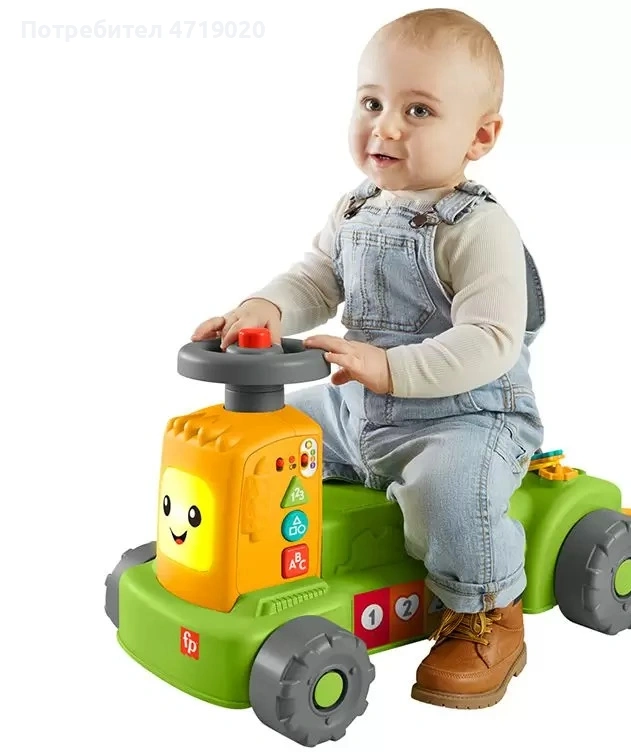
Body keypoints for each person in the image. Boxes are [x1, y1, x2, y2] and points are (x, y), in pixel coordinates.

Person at [192, 8, 546, 710]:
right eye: (372, 102)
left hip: (464, 417)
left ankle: (486, 610)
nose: (385, 127)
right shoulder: (356, 206)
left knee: (449, 492)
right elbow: (315, 279)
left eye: (418, 110)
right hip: (358, 407)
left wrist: (391, 369)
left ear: (480, 136)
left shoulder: (480, 228)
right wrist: (262, 309)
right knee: (266, 440)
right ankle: (226, 555)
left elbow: (490, 339)